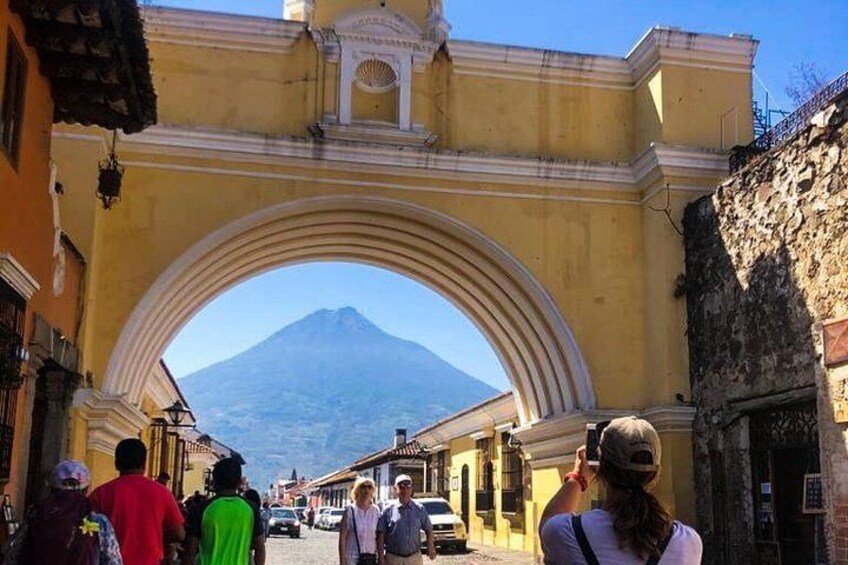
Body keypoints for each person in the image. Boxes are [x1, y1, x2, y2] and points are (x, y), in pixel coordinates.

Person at [540, 416, 702, 564]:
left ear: (602, 467)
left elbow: (548, 521)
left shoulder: (567, 533)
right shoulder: (687, 541)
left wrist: (578, 478)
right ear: (654, 474)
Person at [3, 460, 123, 565]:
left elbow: (13, 554)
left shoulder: (36, 513)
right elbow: (113, 560)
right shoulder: (97, 521)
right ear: (86, 490)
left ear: (52, 489)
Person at [89, 438, 185, 565]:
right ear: (144, 464)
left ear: (117, 464)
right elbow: (179, 534)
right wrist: (159, 538)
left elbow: (87, 531)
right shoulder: (162, 493)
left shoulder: (100, 494)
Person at [184, 458, 265, 565]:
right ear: (240, 481)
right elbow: (259, 547)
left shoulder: (202, 508)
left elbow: (190, 551)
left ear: (214, 481)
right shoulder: (250, 509)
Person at [376, 475, 436, 565]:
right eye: (401, 486)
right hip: (393, 558)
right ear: (395, 489)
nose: (405, 490)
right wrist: (381, 558)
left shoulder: (419, 509)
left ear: (412, 489)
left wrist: (431, 547)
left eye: (408, 486)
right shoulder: (387, 510)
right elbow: (381, 535)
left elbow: (428, 529)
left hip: (414, 558)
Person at [340, 477, 380, 565]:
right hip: (352, 558)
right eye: (363, 486)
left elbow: (378, 536)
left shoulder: (376, 511)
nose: (366, 489)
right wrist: (342, 561)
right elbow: (343, 538)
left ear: (373, 491)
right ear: (357, 489)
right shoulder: (350, 510)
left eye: (369, 487)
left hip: (370, 558)